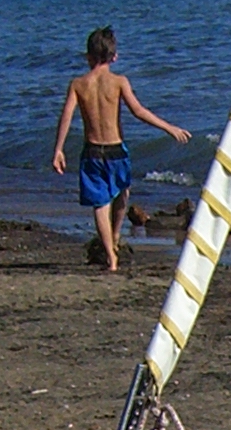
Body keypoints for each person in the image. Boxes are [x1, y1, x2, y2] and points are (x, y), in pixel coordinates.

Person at [50, 26, 191, 271]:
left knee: (100, 204)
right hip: (116, 149)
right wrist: (169, 128)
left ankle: (110, 254)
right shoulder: (119, 82)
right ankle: (114, 236)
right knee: (122, 193)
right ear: (114, 57)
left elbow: (66, 116)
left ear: (88, 56)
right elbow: (139, 111)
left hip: (92, 151)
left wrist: (58, 149)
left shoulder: (78, 84)